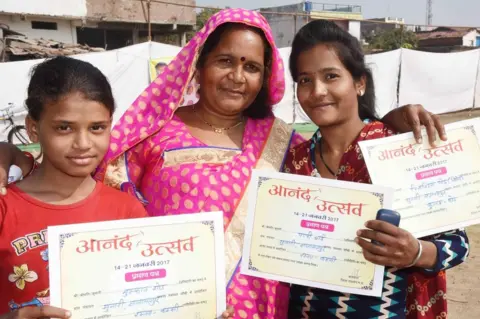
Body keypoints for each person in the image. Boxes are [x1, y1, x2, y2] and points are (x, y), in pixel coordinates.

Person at [0, 9, 448, 319]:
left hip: (271, 306)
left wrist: (386, 120)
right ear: (199, 65)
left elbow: (344, 151)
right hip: (171, 304)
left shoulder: (285, 142)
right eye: (225, 61)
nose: (238, 76)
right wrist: (12, 156)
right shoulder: (148, 136)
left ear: (265, 76)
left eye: (252, 66)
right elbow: (81, 172)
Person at [283, 19, 469, 318]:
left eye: (331, 76)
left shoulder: (399, 150)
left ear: (359, 83)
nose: (317, 91)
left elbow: (459, 244)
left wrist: (416, 252)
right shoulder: (294, 162)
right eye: (305, 80)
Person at [0, 57, 149, 318]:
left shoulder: (127, 211)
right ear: (33, 129)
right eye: (64, 128)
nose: (83, 143)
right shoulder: (5, 208)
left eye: (97, 128)